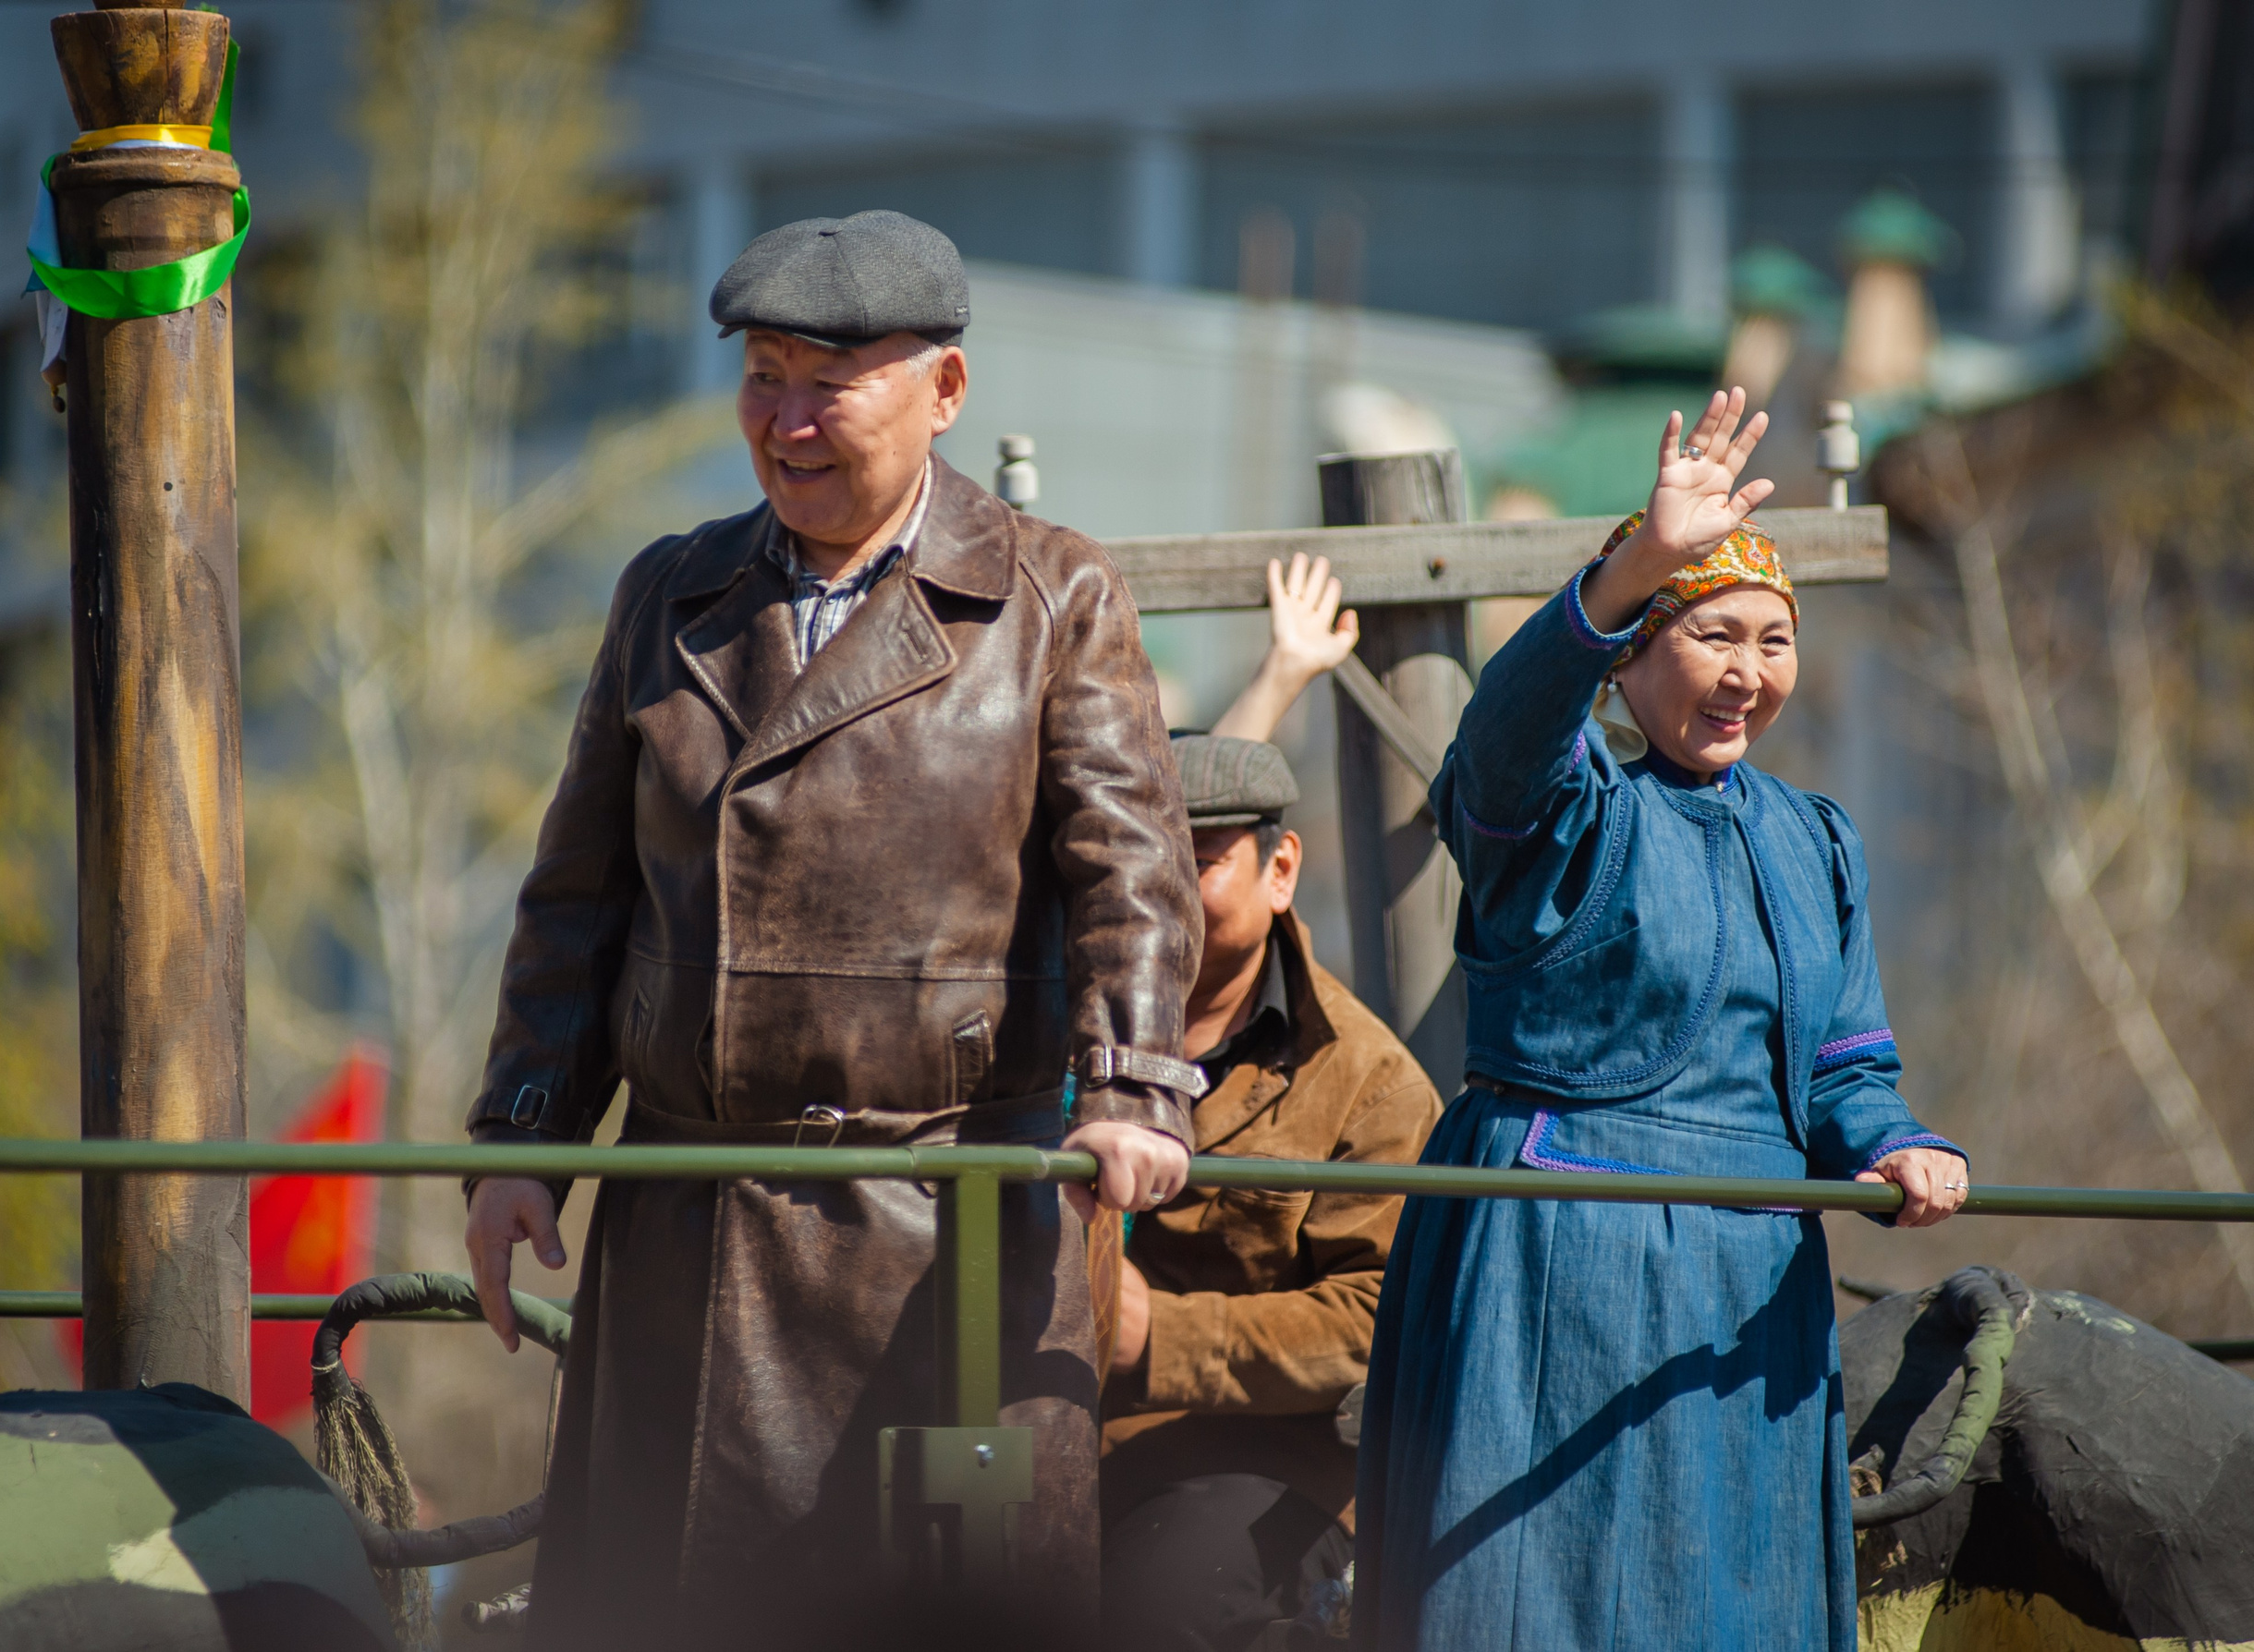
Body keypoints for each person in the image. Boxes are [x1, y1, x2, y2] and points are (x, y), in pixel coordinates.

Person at [458, 209, 1204, 1646]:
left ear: (946, 391)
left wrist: (1132, 1087)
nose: (787, 424)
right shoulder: (666, 595)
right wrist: (520, 1140)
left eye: (829, 384)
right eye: (762, 379)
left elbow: (1132, 865)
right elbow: (579, 898)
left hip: (949, 1232)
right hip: (692, 1221)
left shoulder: (1054, 595)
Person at [1355, 388, 1970, 1652]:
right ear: (1628, 662)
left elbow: (1848, 1062)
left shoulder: (1817, 840)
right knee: (1537, 1602)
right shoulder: (1566, 814)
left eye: (1773, 639)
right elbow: (1505, 734)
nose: (1749, 672)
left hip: (1749, 1286)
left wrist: (1895, 1140)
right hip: (1559, 1258)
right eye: (1711, 636)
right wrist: (1636, 564)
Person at [1099, 725, 1441, 1652]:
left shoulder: (1368, 1081)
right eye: (1131, 862)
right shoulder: (1029, 1030)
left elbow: (1381, 1321)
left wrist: (1155, 1338)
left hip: (1260, 1477)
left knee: (1164, 1605)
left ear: (1279, 868)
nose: (1153, 894)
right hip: (1023, 1441)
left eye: (1195, 864)